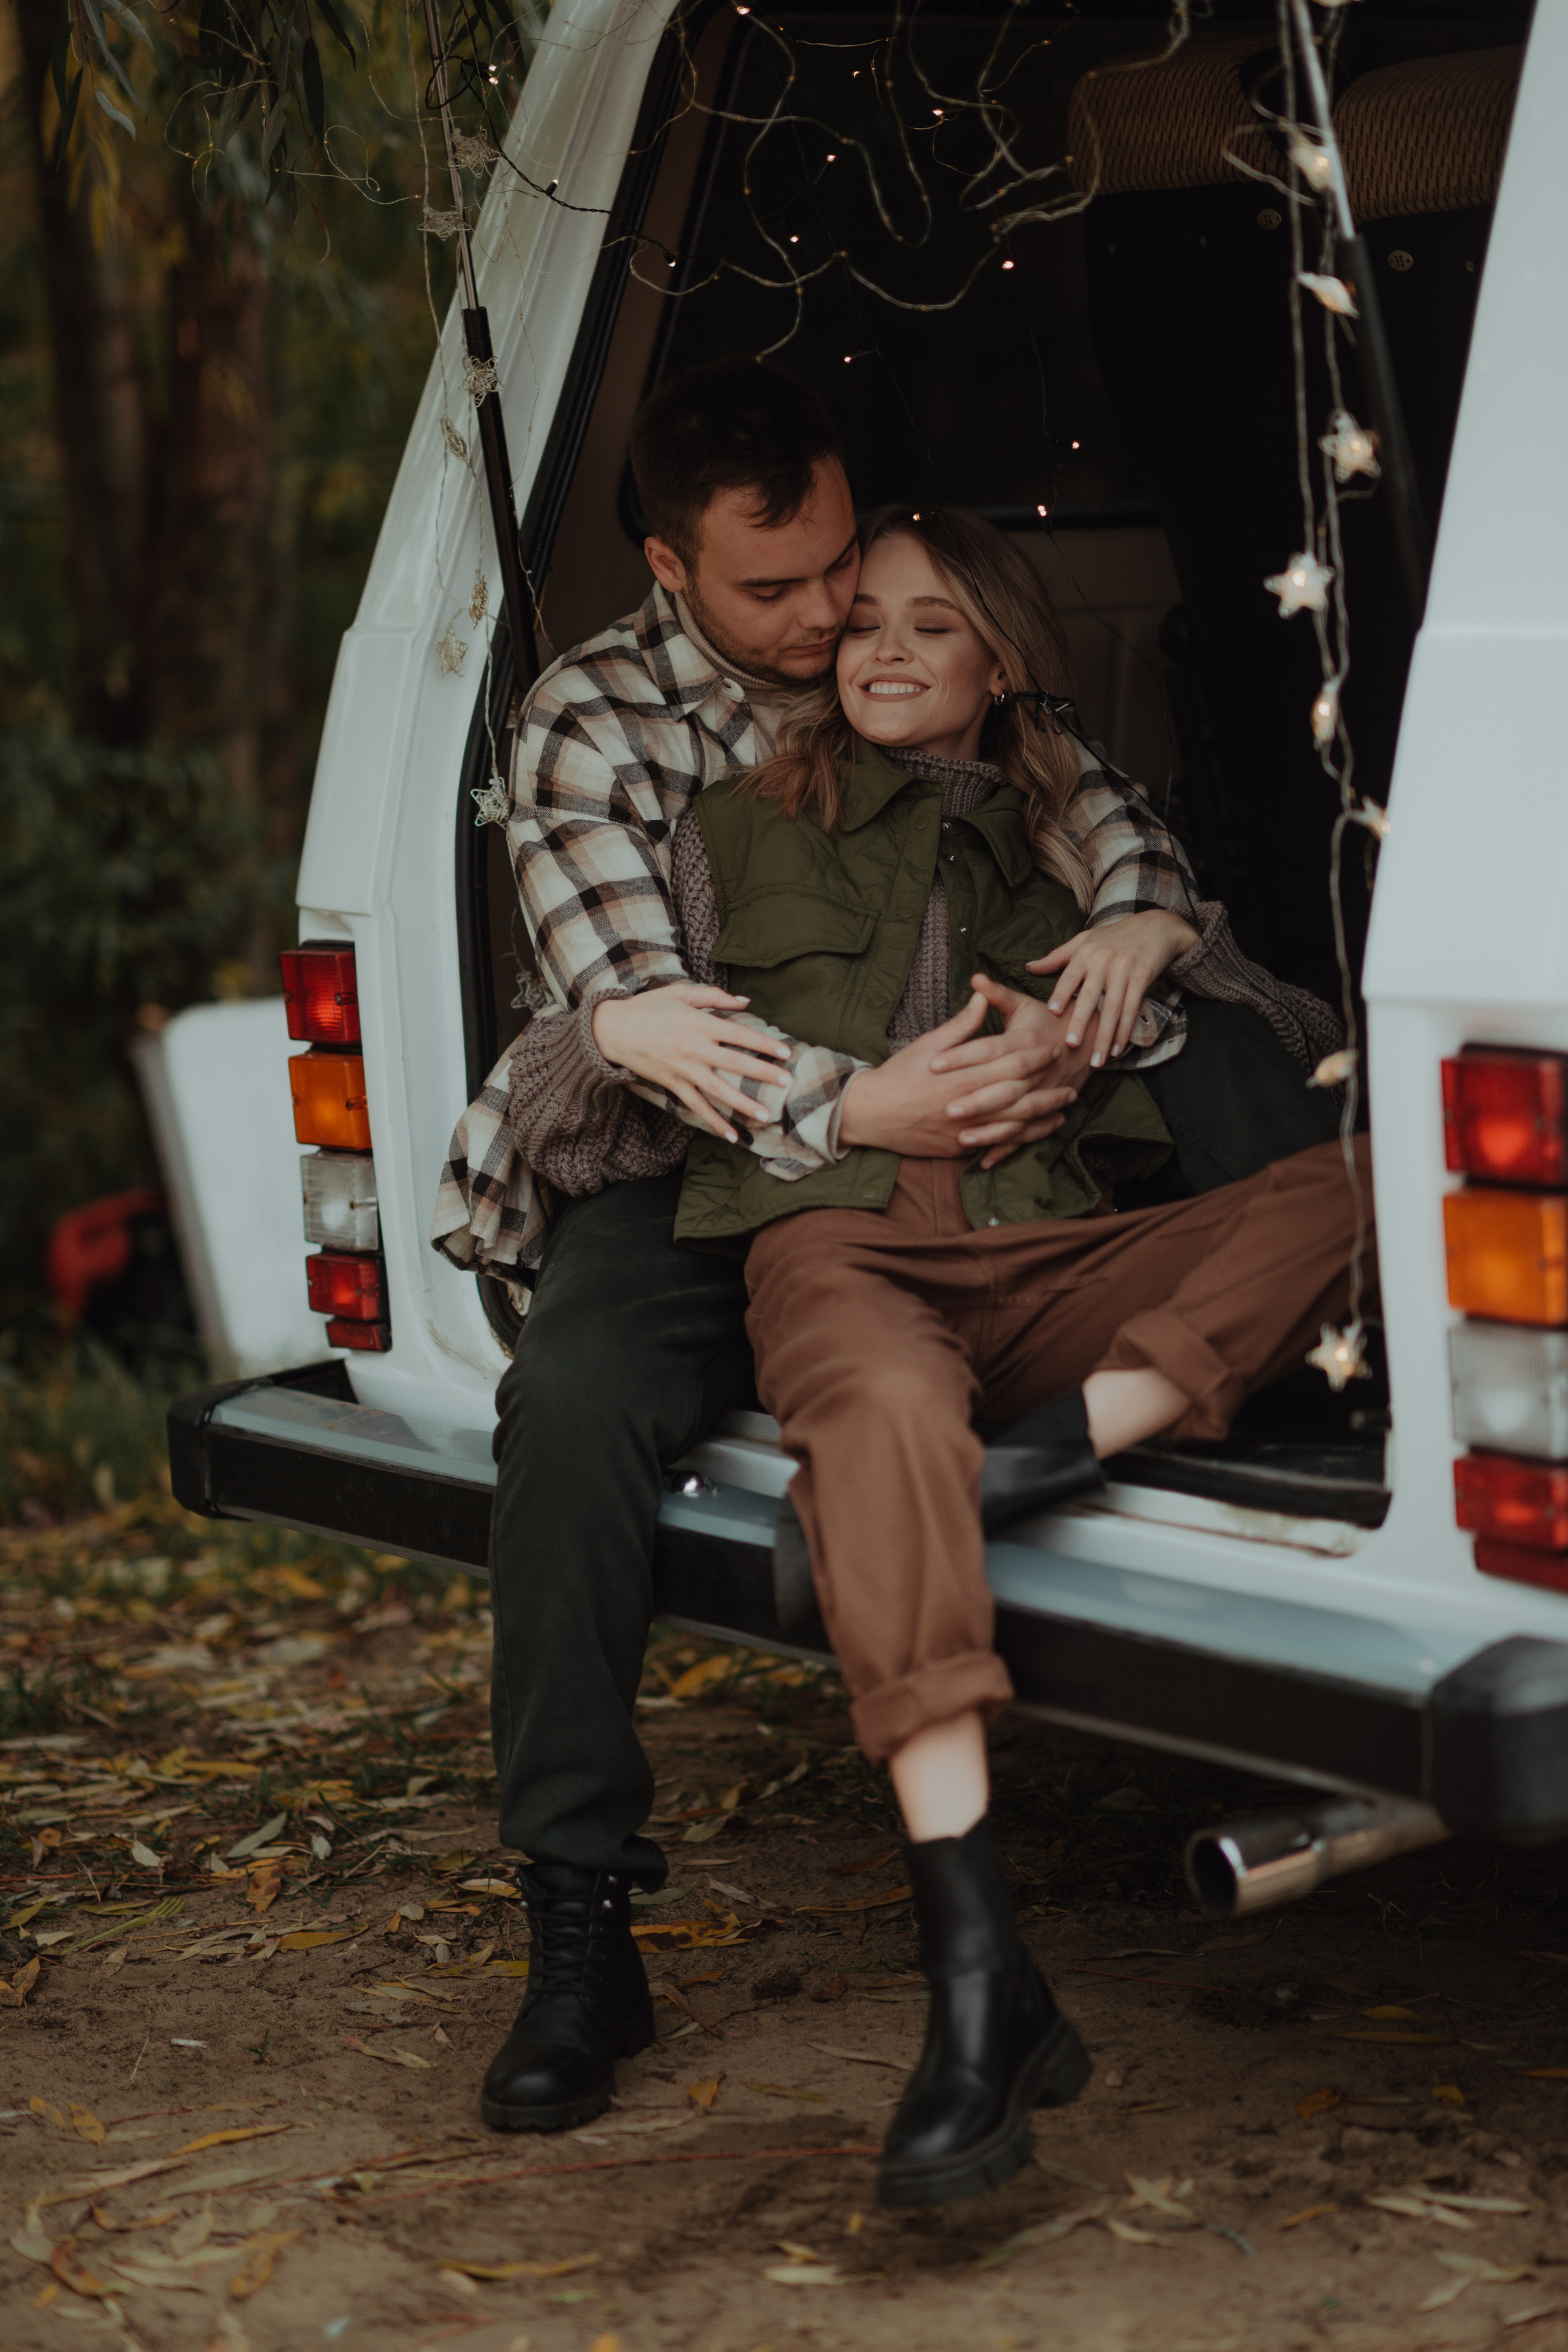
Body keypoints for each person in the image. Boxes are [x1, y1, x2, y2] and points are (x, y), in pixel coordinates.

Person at [430, 361, 1328, 2144]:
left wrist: (1143, 924)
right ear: (671, 571)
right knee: (580, 1403)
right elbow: (649, 1024)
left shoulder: (915, 676)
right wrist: (874, 1114)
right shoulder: (594, 726)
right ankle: (579, 1923)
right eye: (780, 589)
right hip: (706, 1154)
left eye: (845, 566)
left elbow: (1078, 790)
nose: (830, 614)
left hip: (945, 1157)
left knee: (1281, 1134)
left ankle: (1079, 1450)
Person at [603, 505, 1370, 2209]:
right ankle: (976, 1986)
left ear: (1001, 661)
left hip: (1046, 1254)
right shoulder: (729, 823)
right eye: (859, 619)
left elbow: (1308, 1035)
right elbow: (611, 1038)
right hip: (839, 1239)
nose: (877, 647)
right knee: (874, 1406)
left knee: (1377, 1182)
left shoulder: (1085, 845)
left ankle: (1038, 1459)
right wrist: (817, 1095)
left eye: (928, 625)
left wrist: (1155, 942)